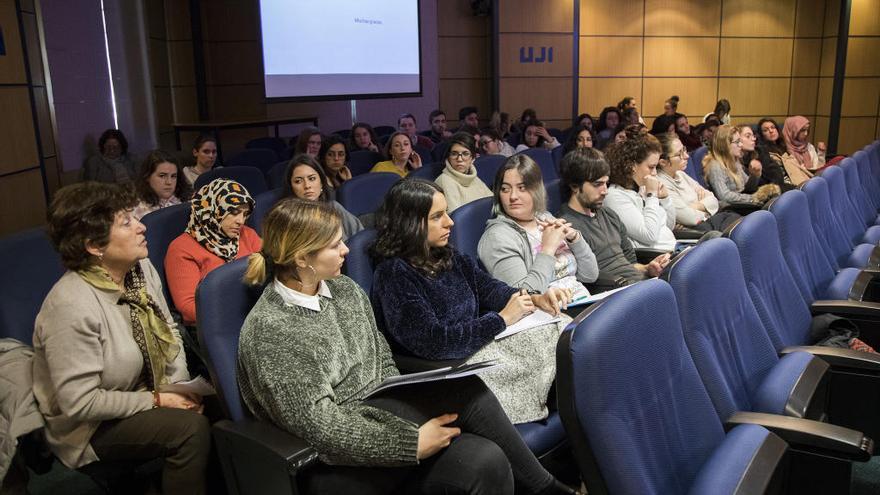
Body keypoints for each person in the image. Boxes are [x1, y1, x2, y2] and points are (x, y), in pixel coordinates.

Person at [238, 197, 576, 495]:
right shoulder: (272, 330)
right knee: (467, 394)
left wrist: (404, 411)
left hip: (379, 416)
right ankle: (549, 490)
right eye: (334, 245)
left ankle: (548, 486)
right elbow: (321, 428)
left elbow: (383, 361)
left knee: (486, 460)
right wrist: (407, 442)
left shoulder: (343, 290)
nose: (346, 250)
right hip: (332, 461)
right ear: (301, 259)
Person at [33, 182, 209, 493]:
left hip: (148, 391)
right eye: (126, 222)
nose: (142, 227)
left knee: (220, 403)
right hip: (93, 425)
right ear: (94, 246)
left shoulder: (138, 269)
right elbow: (80, 403)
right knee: (189, 430)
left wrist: (179, 389)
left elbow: (169, 329)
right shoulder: (70, 306)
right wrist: (157, 400)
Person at [371, 179, 576, 427]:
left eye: (446, 212)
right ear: (410, 224)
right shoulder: (393, 274)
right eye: (437, 216)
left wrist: (534, 299)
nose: (450, 221)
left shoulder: (446, 255)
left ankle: (581, 410)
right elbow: (433, 342)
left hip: (477, 348)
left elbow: (491, 290)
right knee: (554, 349)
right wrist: (501, 320)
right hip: (452, 370)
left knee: (563, 328)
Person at [478, 154, 599, 294]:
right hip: (546, 312)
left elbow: (590, 276)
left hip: (580, 300)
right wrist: (548, 249)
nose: (513, 196)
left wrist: (575, 239)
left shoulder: (544, 217)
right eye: (505, 189)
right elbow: (523, 297)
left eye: (522, 188)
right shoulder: (497, 237)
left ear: (537, 189)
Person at [558, 148, 672, 288]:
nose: (605, 191)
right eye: (597, 184)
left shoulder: (609, 214)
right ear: (575, 186)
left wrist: (648, 268)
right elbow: (585, 277)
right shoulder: (566, 227)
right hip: (614, 293)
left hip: (638, 284)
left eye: (606, 183)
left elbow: (630, 263)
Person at [166, 179, 261, 325]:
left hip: (254, 313)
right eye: (234, 212)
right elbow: (189, 307)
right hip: (218, 325)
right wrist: (239, 312)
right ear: (214, 208)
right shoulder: (181, 248)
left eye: (245, 214)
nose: (240, 221)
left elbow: (270, 273)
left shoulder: (247, 234)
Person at [603, 133, 678, 251]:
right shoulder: (615, 196)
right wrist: (652, 196)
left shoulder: (642, 188)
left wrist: (665, 199)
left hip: (674, 248)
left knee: (712, 239)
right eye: (651, 167)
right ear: (632, 166)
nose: (654, 173)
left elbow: (669, 226)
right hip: (657, 258)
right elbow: (649, 235)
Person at [655, 133, 740, 232]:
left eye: (684, 150)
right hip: (699, 229)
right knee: (737, 227)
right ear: (663, 162)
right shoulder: (661, 184)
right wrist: (705, 207)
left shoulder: (680, 174)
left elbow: (713, 199)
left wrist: (696, 206)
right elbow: (690, 218)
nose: (686, 156)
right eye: (679, 154)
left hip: (709, 221)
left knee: (738, 220)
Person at [283, 153, 363, 239]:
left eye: (312, 178)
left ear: (321, 183)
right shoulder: (289, 219)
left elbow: (361, 237)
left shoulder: (334, 207)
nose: (307, 185)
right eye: (298, 181)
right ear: (291, 187)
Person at [702, 125, 780, 208]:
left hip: (743, 204)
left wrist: (755, 175)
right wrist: (753, 199)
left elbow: (748, 187)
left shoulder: (734, 161)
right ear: (725, 145)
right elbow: (724, 196)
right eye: (737, 142)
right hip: (731, 209)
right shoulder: (715, 165)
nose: (741, 145)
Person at [434, 132, 493, 212]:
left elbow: (494, 204)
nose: (459, 159)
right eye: (454, 154)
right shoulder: (444, 181)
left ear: (472, 158)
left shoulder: (473, 178)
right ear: (448, 157)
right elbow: (455, 219)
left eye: (465, 154)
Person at [133, 150, 191, 220]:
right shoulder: (135, 209)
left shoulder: (188, 200)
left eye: (173, 176)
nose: (169, 182)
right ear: (147, 177)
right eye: (162, 176)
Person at [757, 117, 805, 188]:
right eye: (765, 130)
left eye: (773, 127)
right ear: (762, 135)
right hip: (787, 185)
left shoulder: (782, 147)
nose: (771, 131)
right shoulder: (764, 153)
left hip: (799, 179)